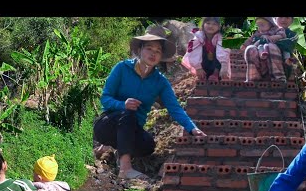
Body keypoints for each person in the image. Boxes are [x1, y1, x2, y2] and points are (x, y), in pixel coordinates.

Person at [93, 25, 206, 180]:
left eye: (158, 51)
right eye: (149, 48)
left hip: (132, 131)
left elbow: (175, 108)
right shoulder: (122, 68)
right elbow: (105, 98)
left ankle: (118, 148)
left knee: (148, 146)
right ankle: (125, 168)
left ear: (161, 57)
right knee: (128, 114)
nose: (153, 53)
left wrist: (192, 128)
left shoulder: (160, 82)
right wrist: (122, 104)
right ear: (139, 50)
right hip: (107, 124)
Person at [181, 17, 231, 82]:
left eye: (214, 24)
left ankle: (215, 73)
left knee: (219, 52)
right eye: (208, 23)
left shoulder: (220, 37)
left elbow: (222, 51)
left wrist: (224, 65)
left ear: (219, 27)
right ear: (203, 25)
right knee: (199, 49)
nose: (211, 26)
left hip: (216, 63)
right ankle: (203, 74)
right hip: (204, 62)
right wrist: (198, 68)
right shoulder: (199, 36)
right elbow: (193, 51)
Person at [241, 17, 287, 82]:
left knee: (269, 46)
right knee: (250, 49)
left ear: (270, 24)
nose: (260, 28)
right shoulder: (258, 33)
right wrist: (244, 45)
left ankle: (278, 76)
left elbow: (281, 35)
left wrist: (270, 38)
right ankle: (254, 76)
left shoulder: (276, 29)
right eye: (258, 26)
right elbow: (250, 39)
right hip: (259, 50)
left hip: (271, 51)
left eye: (262, 25)